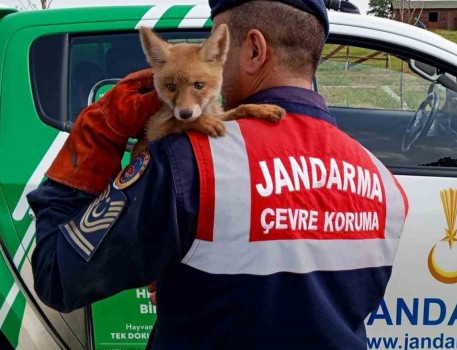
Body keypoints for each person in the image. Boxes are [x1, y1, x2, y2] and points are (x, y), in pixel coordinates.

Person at [27, 0, 409, 348]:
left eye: (220, 49)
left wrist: (91, 141)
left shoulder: (187, 161)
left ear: (254, 51)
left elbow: (57, 276)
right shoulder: (384, 183)